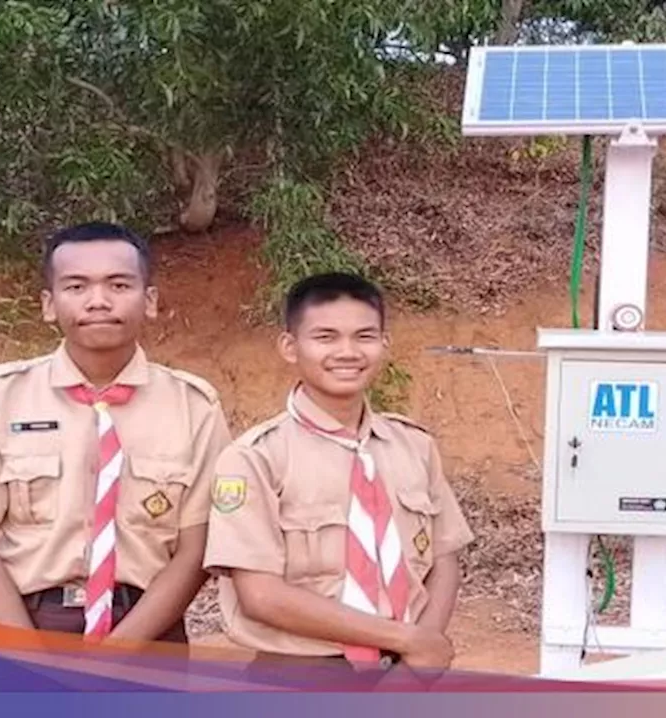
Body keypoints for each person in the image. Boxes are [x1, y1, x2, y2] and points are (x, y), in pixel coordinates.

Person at [0, 221, 231, 646]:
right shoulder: (2, 396)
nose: (98, 301)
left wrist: (118, 655)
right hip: (26, 627)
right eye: (76, 287)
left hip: (146, 635)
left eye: (118, 284)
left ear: (150, 301)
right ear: (49, 304)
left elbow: (195, 551)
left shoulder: (193, 406)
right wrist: (28, 660)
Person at [202, 272, 473, 684]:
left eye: (365, 336)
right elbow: (261, 596)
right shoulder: (256, 457)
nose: (347, 352)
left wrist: (419, 656)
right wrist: (407, 639)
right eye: (325, 337)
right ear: (290, 347)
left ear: (385, 344)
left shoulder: (413, 446)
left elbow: (444, 558)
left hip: (405, 676)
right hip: (297, 680)